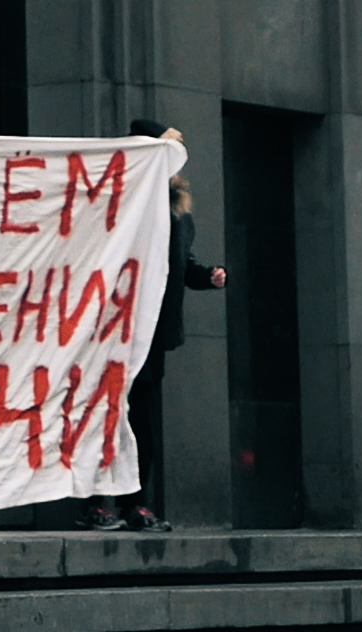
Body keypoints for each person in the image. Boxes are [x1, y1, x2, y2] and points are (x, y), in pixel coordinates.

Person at [78, 118, 228, 532]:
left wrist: (209, 276)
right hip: (108, 330)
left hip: (150, 332)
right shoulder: (113, 201)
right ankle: (94, 503)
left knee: (141, 421)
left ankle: (136, 504)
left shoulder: (176, 211)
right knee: (102, 414)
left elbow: (181, 265)